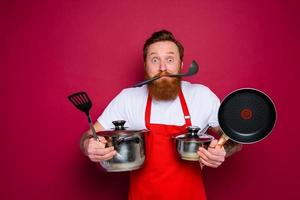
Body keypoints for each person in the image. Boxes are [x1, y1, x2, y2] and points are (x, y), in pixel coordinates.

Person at [80, 30, 242, 200]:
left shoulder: (201, 96)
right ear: (145, 65)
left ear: (180, 64)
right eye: (155, 60)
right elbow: (90, 136)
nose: (163, 68)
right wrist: (89, 146)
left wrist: (220, 150)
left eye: (170, 59)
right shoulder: (128, 98)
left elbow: (232, 139)